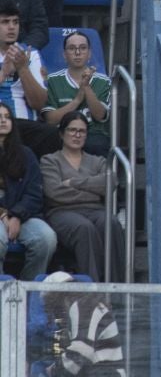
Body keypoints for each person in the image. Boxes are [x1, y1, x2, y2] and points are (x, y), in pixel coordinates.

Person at [39, 115, 108, 280]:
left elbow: (108, 184)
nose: (77, 135)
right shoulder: (50, 160)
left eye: (82, 131)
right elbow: (54, 192)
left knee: (111, 223)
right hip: (61, 212)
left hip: (95, 210)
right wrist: (92, 189)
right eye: (72, 130)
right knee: (84, 228)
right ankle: (93, 291)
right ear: (62, 134)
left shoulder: (98, 161)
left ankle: (118, 288)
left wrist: (73, 183)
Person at [0, 104, 57, 277]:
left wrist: (16, 215)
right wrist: (3, 214)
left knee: (46, 239)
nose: (3, 120)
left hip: (23, 215)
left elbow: (34, 193)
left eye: (7, 117)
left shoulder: (26, 154)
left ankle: (28, 291)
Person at [41, 31, 108, 159]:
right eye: (72, 48)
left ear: (89, 53)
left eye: (82, 48)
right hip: (61, 132)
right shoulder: (52, 81)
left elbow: (100, 115)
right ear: (64, 54)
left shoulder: (103, 81)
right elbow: (50, 119)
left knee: (97, 144)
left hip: (92, 133)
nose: (77, 53)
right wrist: (77, 100)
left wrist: (86, 87)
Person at [0, 3, 51, 154]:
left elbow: (39, 104)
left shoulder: (30, 54)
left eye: (15, 22)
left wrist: (23, 69)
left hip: (24, 125)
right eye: (5, 22)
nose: (12, 27)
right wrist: (4, 72)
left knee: (51, 134)